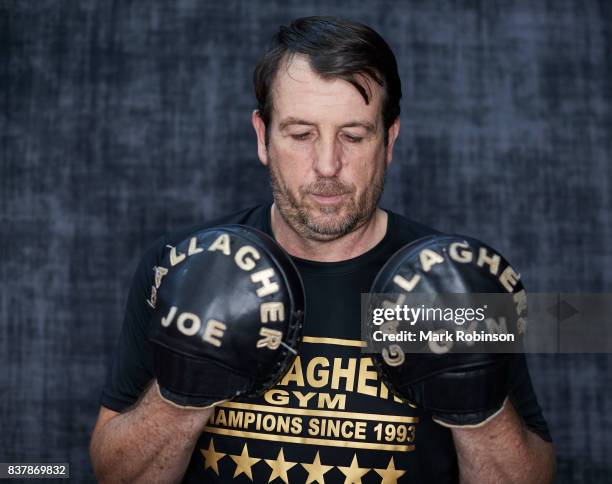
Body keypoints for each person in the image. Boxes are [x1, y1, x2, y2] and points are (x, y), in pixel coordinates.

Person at [89, 16, 555, 483]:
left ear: (389, 140)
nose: (328, 165)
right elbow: (114, 476)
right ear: (262, 137)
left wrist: (481, 408)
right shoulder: (185, 265)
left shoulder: (451, 284)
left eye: (353, 135)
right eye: (301, 134)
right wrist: (181, 390)